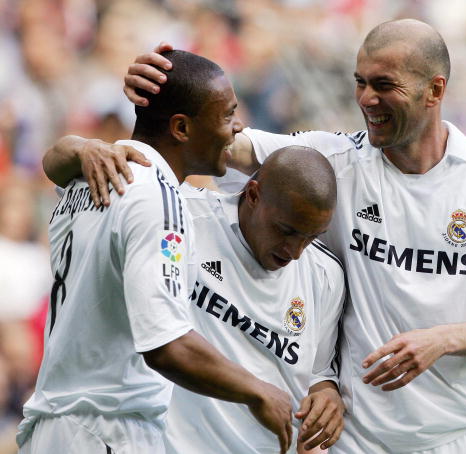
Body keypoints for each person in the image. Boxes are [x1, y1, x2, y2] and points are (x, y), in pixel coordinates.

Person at [65, 18, 466, 453]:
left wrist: (441, 340)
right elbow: (209, 137)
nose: (366, 100)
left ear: (434, 90)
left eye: (384, 85)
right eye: (360, 83)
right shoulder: (336, 162)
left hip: (465, 436)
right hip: (361, 439)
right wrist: (157, 97)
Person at [18, 49, 294, 454]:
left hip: (53, 426)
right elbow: (166, 345)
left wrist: (76, 146)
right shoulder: (157, 197)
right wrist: (258, 391)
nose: (237, 127)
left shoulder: (92, 174)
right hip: (107, 430)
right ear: (181, 127)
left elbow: (54, 162)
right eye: (227, 115)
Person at [44, 142, 347, 453]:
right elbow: (59, 168)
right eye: (287, 231)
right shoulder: (178, 215)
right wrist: (81, 148)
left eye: (311, 238)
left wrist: (327, 395)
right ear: (253, 195)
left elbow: (318, 374)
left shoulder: (326, 275)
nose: (295, 252)